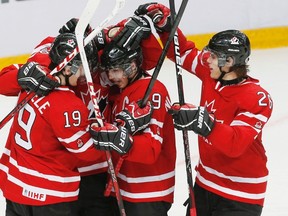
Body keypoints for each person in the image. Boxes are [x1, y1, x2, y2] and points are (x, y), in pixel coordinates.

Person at [0, 16, 157, 216]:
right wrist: (122, 130)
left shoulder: (107, 61)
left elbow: (146, 62)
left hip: (89, 173)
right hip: (56, 181)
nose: (89, 73)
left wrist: (119, 35)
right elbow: (4, 81)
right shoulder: (49, 70)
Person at [135, 3, 274, 216]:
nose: (206, 59)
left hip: (241, 194)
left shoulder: (257, 97)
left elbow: (235, 143)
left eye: (213, 56)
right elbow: (184, 53)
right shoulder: (212, 73)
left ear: (229, 61)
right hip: (205, 184)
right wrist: (166, 27)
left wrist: (203, 121)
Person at [89, 34, 177, 216]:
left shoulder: (152, 92)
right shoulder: (119, 91)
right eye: (109, 70)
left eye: (117, 70)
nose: (111, 76)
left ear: (133, 66)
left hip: (148, 192)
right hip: (123, 188)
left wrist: (121, 140)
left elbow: (152, 149)